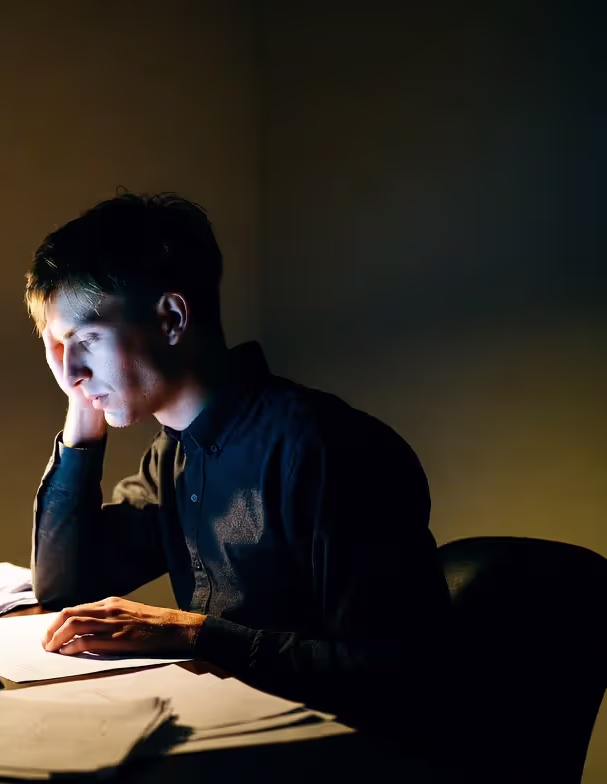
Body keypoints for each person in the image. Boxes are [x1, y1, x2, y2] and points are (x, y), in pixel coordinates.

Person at [26, 192, 449, 716]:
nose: (70, 372)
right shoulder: (171, 458)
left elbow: (396, 670)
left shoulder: (323, 448)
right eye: (60, 349)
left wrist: (199, 634)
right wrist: (82, 406)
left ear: (171, 318)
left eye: (85, 339)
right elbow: (64, 583)